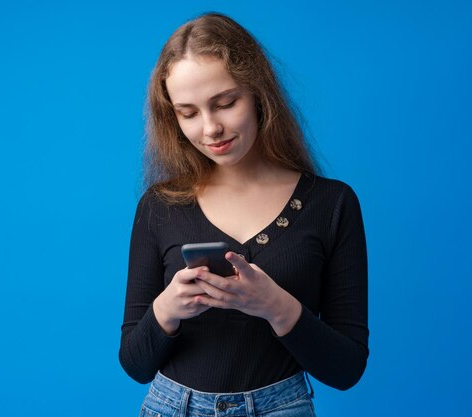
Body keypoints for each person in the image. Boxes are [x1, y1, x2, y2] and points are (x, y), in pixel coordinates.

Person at [119, 12, 368, 417]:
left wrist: (275, 305)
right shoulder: (159, 206)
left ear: (258, 93)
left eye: (225, 103)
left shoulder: (332, 204)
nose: (210, 128)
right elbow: (134, 363)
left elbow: (346, 368)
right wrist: (167, 309)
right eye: (188, 112)